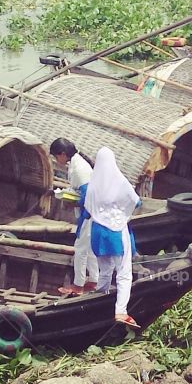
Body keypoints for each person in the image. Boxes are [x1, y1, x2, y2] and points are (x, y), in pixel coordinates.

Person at [85, 147, 141, 329]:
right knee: (124, 273)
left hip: (98, 232)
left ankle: (100, 296)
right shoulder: (120, 181)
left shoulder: (93, 183)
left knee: (106, 269)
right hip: (116, 231)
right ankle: (121, 311)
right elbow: (136, 201)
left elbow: (87, 207)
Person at [49, 138, 99, 296]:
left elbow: (87, 195)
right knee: (89, 248)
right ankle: (94, 279)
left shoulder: (79, 168)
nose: (57, 161)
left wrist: (73, 203)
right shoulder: (78, 164)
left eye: (57, 157)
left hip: (89, 213)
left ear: (63, 154)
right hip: (91, 213)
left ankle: (78, 285)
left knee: (80, 248)